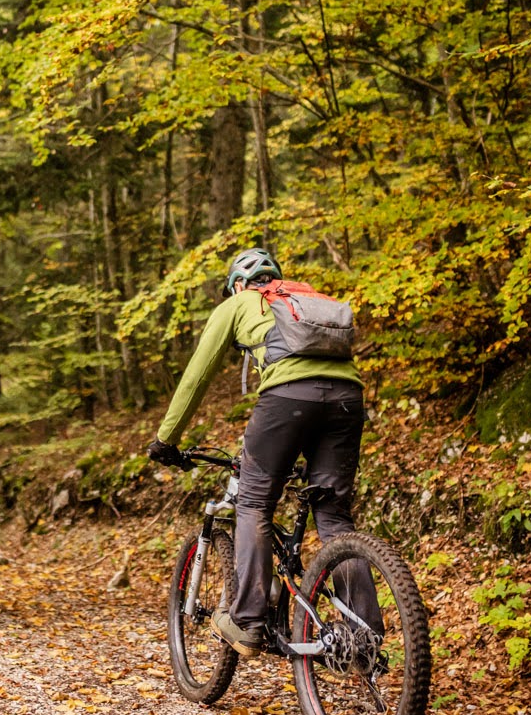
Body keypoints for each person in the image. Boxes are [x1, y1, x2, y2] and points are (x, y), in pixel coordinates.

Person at [146, 248, 381, 655]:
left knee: (254, 502)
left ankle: (248, 622)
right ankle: (364, 634)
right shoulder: (308, 299)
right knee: (333, 515)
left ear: (238, 283)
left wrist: (166, 439)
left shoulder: (238, 302)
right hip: (348, 400)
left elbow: (197, 375)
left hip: (287, 400)